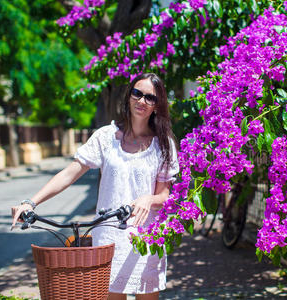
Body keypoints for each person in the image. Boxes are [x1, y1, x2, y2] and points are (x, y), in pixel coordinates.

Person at [11, 73, 179, 300]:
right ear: (129, 95)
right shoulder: (105, 136)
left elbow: (165, 195)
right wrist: (30, 202)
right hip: (109, 237)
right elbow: (70, 172)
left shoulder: (163, 143)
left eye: (150, 97)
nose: (141, 101)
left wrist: (148, 199)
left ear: (157, 105)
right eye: (137, 93)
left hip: (145, 237)